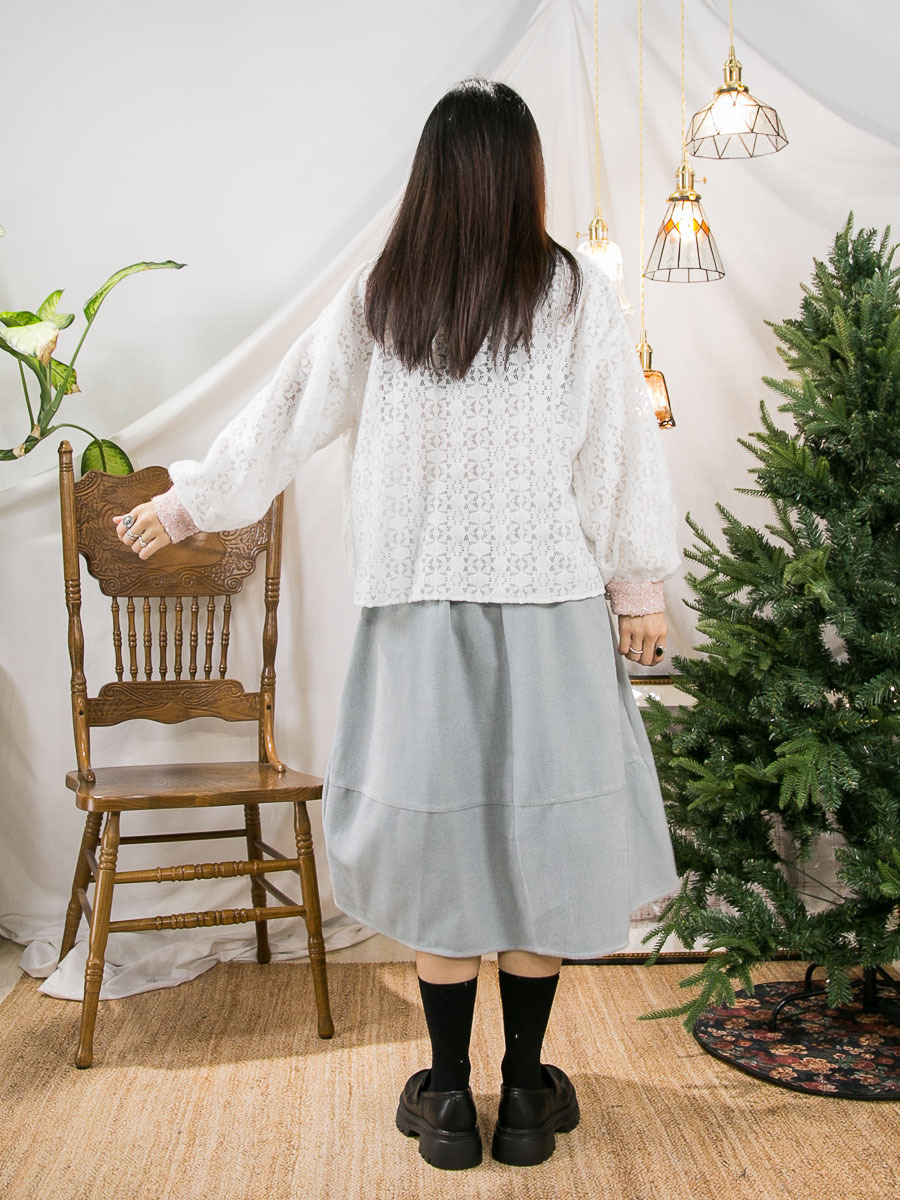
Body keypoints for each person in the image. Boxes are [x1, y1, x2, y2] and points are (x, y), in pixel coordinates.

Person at [112, 78, 681, 1172]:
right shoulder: (574, 293)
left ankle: (451, 1099)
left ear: (430, 176)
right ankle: (526, 1095)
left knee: (437, 852)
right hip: (552, 614)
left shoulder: (385, 295)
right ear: (523, 175)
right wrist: (638, 592)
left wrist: (188, 502)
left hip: (418, 616)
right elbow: (616, 452)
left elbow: (287, 414)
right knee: (545, 845)